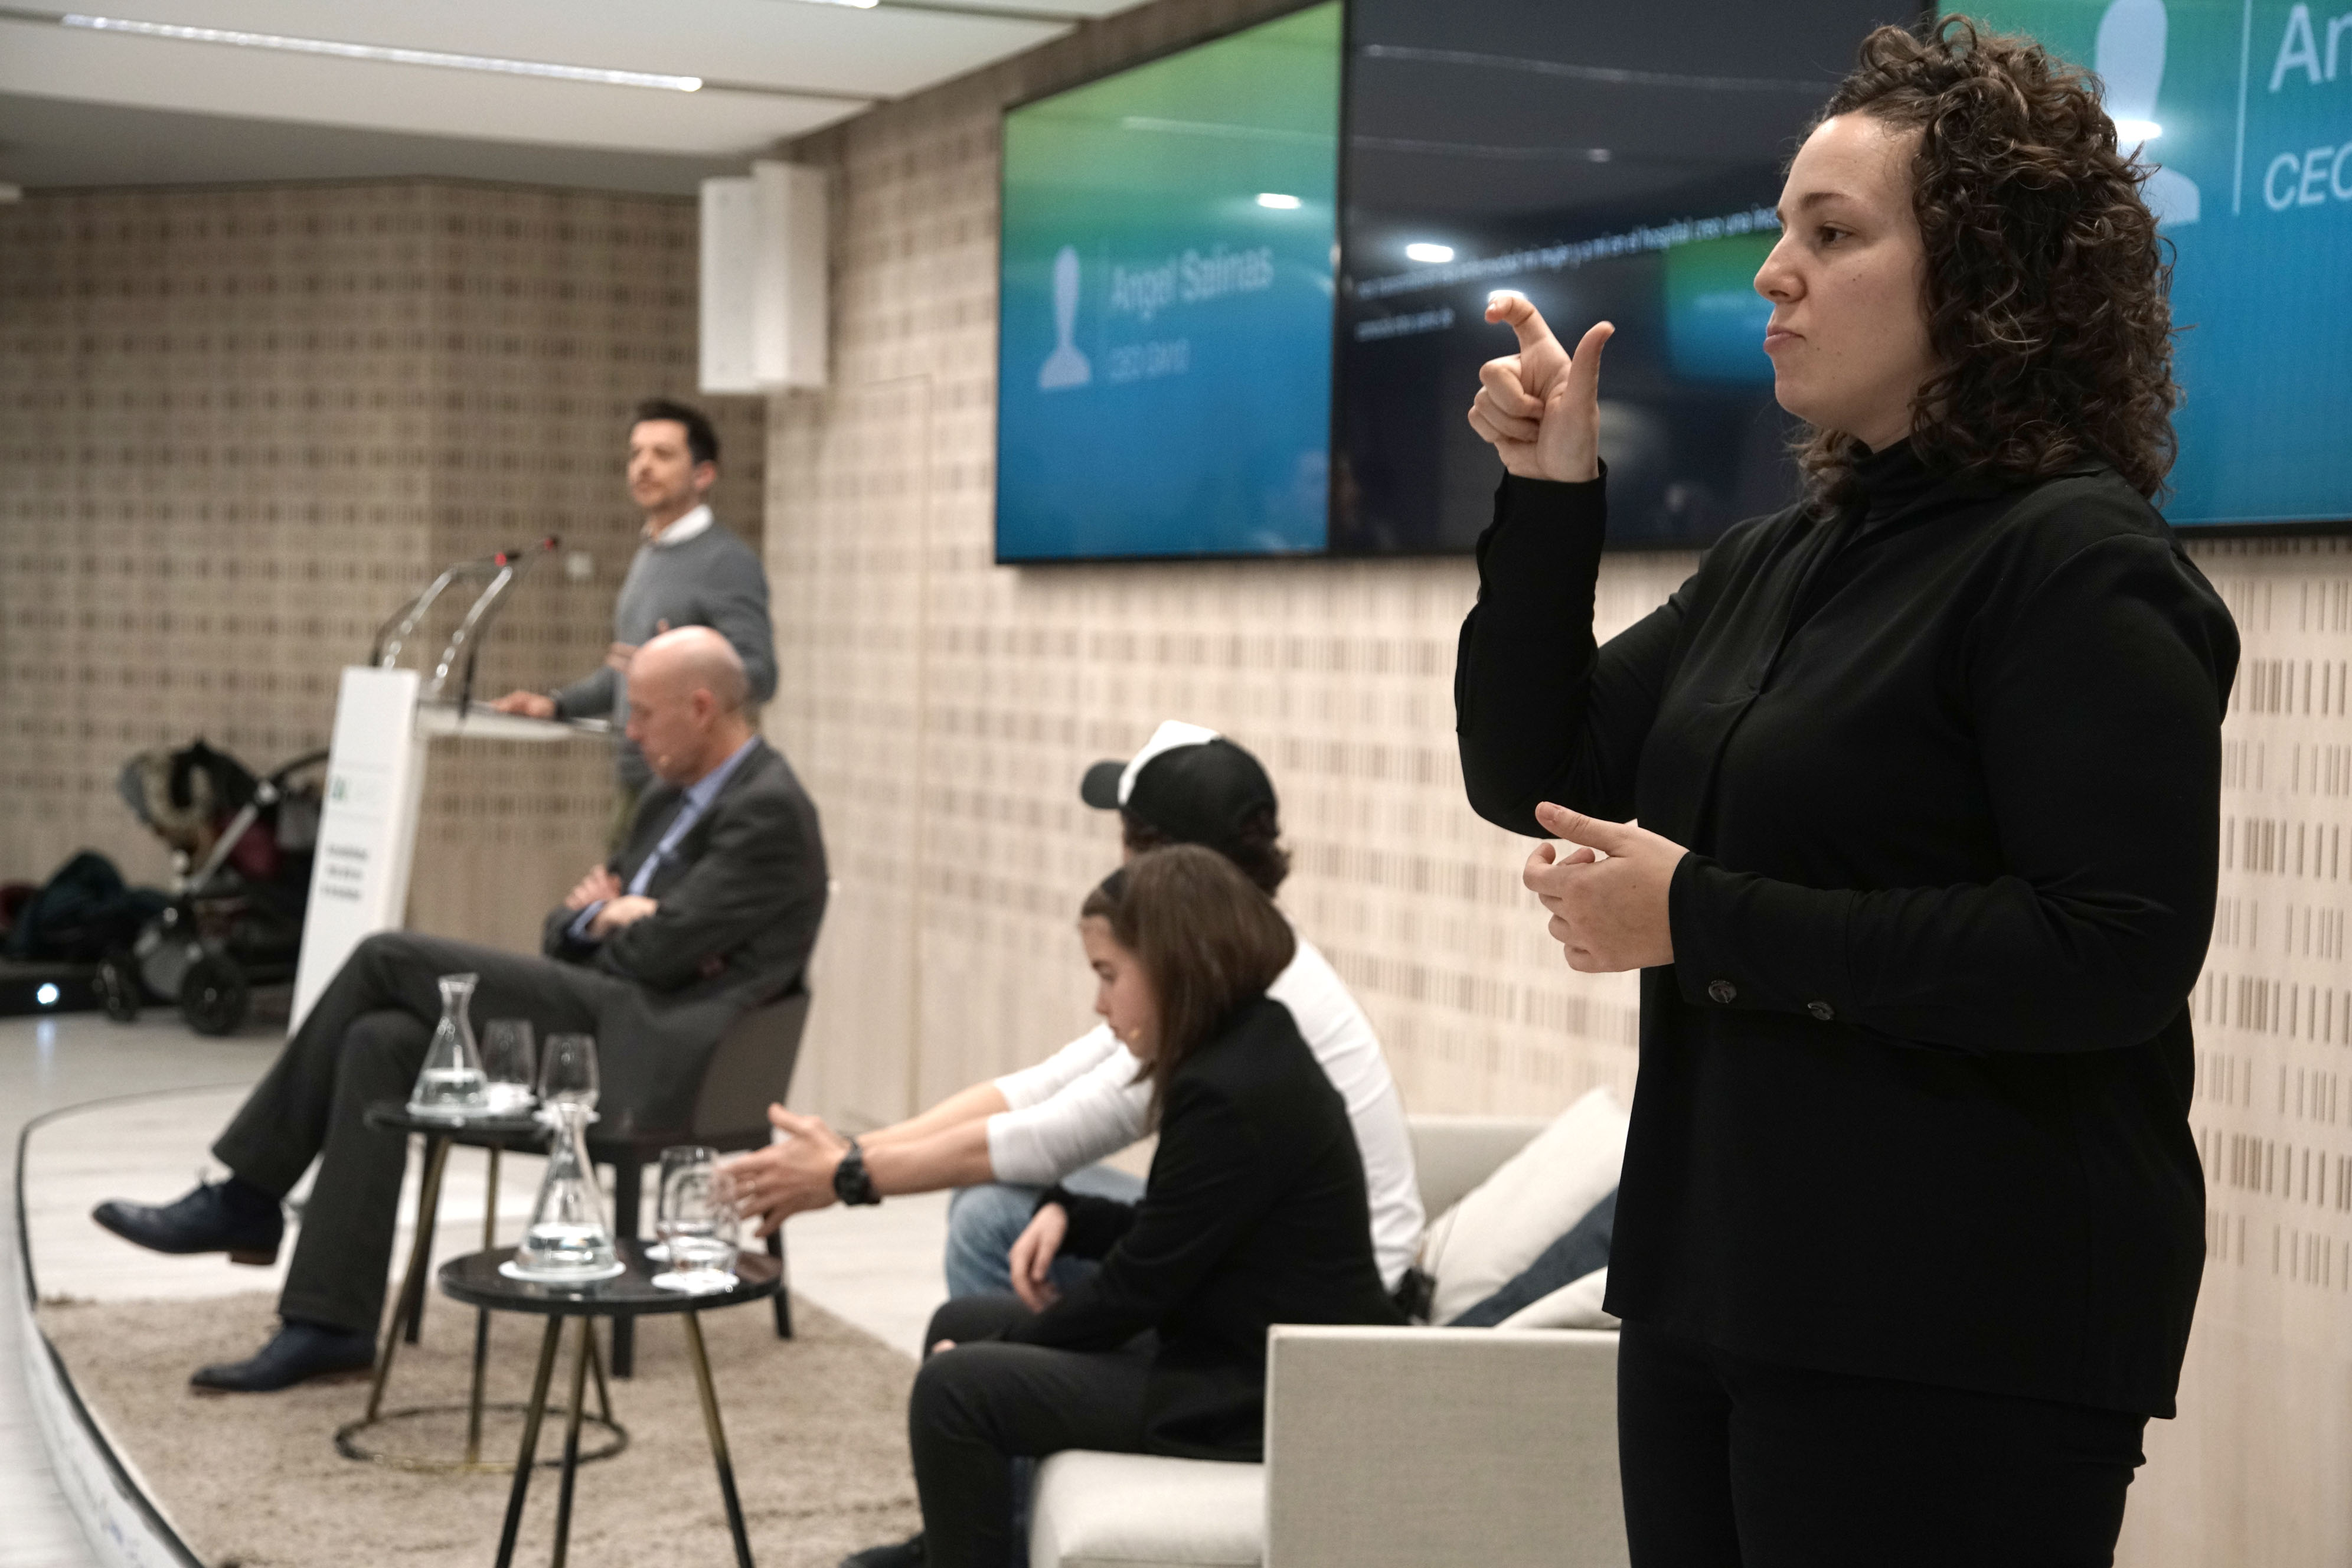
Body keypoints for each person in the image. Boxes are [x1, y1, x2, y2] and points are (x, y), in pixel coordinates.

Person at [1455, 19, 2236, 1567]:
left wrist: (1702, 913)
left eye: (1832, 233)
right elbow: (1535, 776)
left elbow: (2111, 954)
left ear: (1986, 275)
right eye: (1779, 230)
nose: (1771, 275)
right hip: (1717, 1279)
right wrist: (1550, 504)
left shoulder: (2076, 565)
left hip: (1957, 1318)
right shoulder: (1781, 561)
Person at [93, 628, 828, 1392]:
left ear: (702, 707)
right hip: (613, 1008)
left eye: (644, 714)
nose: (631, 732)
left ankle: (247, 1196)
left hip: (660, 1050)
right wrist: (611, 917)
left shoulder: (767, 809)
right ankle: (329, 1325)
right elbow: (563, 928)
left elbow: (659, 953)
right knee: (380, 1041)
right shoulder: (667, 794)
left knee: (387, 958)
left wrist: (623, 923)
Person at [839, 848, 1406, 1568]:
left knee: (957, 1391)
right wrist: (1071, 1215)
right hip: (1232, 1352)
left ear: (1175, 966)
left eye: (1109, 976)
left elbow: (1141, 1286)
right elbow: (1180, 1229)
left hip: (1257, 1393)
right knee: (962, 1324)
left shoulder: (1232, 1091)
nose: (1099, 1003)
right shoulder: (1247, 1043)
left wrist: (1004, 1354)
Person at [727, 721, 1422, 1302]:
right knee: (998, 1200)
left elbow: (1053, 1134)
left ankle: (1016, 1418)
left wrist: (847, 1175)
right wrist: (852, 1153)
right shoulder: (1246, 946)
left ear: (1160, 866)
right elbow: (1046, 1087)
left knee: (992, 1216)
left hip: (1331, 1310)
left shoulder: (1240, 985)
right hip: (1279, 1256)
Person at [492, 398, 777, 841]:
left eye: (662, 455)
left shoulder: (725, 561)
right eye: (636, 453)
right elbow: (630, 671)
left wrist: (679, 669)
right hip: (637, 777)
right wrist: (557, 705)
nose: (643, 466)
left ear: (703, 475)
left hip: (692, 792)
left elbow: (760, 674)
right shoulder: (650, 555)